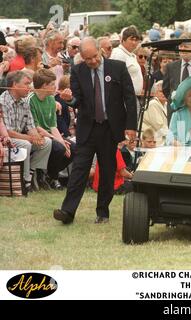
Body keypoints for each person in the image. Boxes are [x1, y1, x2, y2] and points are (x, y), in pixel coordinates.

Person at [53, 37, 137, 225]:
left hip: (110, 128)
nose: (92, 61)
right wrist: (68, 99)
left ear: (101, 50)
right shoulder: (78, 70)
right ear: (81, 57)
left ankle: (103, 212)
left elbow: (130, 99)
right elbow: (77, 101)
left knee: (107, 171)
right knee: (79, 170)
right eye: (87, 58)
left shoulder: (118, 68)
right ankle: (67, 212)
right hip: (87, 128)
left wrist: (131, 126)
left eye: (94, 56)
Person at [0, 71, 52, 191]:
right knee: (26, 144)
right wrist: (31, 138)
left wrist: (37, 137)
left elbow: (30, 127)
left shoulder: (24, 102)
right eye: (27, 84)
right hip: (5, 139)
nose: (30, 87)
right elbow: (7, 132)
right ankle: (25, 182)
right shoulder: (2, 102)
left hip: (18, 137)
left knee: (47, 142)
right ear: (14, 84)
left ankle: (29, 174)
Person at [29, 69, 75, 190]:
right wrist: (58, 141)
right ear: (45, 85)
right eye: (52, 84)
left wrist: (61, 141)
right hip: (37, 134)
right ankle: (48, 177)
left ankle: (50, 176)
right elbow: (36, 126)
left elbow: (53, 126)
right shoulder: (31, 100)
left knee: (73, 148)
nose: (55, 87)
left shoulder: (50, 100)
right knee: (59, 148)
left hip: (50, 134)